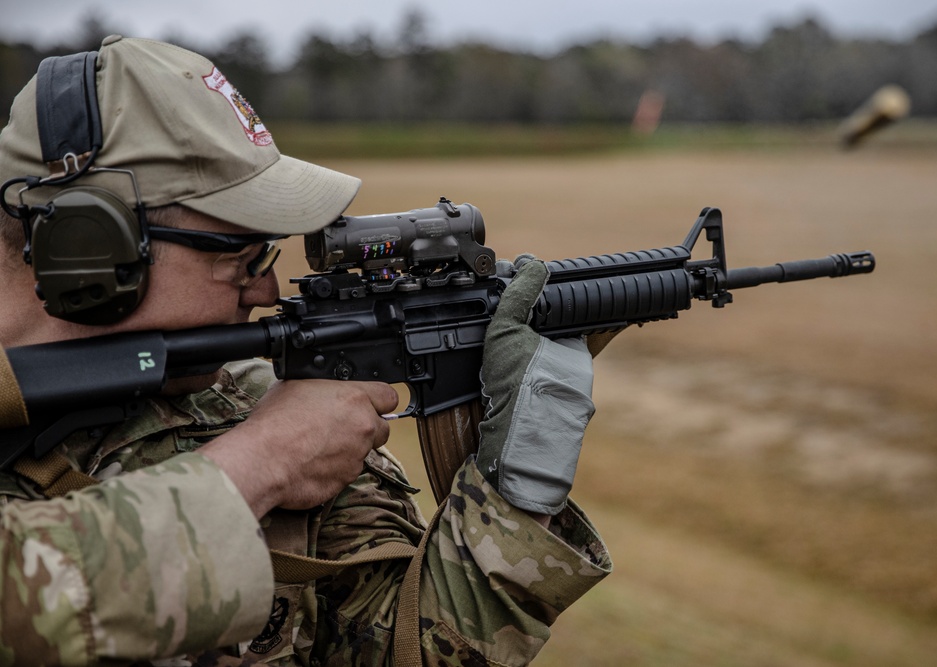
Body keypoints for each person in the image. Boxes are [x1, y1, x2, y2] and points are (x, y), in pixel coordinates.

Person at [0, 36, 611, 665]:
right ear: (88, 251)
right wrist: (261, 464)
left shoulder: (237, 397)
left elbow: (404, 650)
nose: (267, 289)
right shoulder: (271, 434)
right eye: (242, 257)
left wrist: (519, 497)